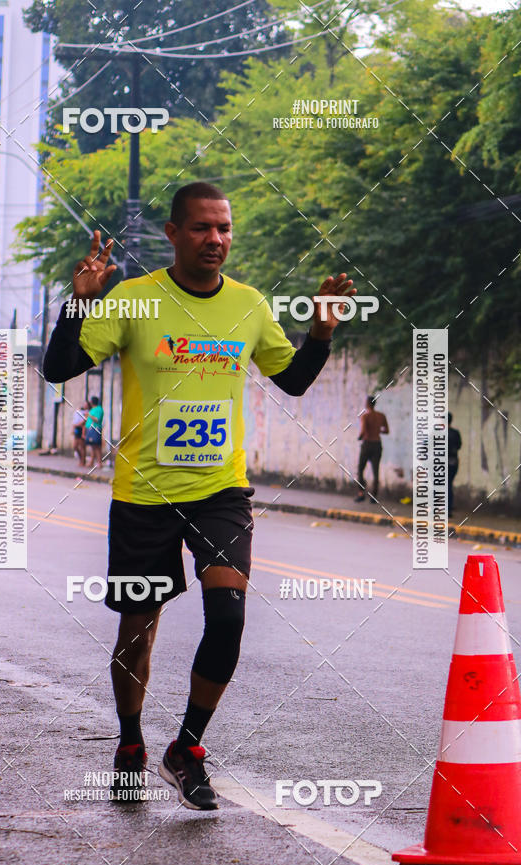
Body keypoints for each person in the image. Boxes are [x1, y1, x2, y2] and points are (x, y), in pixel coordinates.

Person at [43, 181, 356, 810]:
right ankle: (130, 741)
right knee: (138, 630)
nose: (216, 239)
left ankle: (186, 748)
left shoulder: (248, 304)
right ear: (173, 233)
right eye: (202, 228)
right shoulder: (133, 299)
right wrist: (78, 303)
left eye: (224, 228)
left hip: (221, 491)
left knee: (229, 619)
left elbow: (293, 380)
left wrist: (320, 333)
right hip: (145, 493)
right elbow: (58, 368)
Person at [354, 395, 389, 503]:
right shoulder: (381, 416)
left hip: (367, 444)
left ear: (367, 404)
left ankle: (361, 493)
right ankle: (374, 496)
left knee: (360, 469)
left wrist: (359, 437)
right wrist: (377, 431)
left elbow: (363, 431)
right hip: (377, 444)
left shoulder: (365, 416)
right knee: (375, 470)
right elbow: (386, 430)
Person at [448, 412, 462, 514]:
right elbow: (459, 446)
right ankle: (448, 509)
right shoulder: (455, 433)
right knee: (449, 485)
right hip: (453, 462)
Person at [85, 395, 103, 468]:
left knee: (97, 446)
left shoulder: (99, 409)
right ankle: (91, 462)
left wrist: (89, 415)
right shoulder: (93, 409)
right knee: (93, 446)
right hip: (90, 429)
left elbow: (97, 419)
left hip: (95, 429)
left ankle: (99, 463)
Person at [72, 401, 89, 468]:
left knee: (82, 446)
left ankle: (83, 461)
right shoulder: (78, 411)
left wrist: (76, 425)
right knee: (75, 446)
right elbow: (74, 420)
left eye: (86, 405)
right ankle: (81, 459)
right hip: (77, 429)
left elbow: (84, 421)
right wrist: (73, 428)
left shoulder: (87, 413)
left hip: (82, 429)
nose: (84, 405)